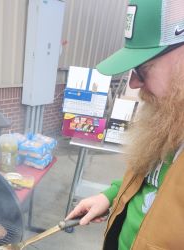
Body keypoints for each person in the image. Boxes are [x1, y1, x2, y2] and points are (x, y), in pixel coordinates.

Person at [66, 0, 184, 249]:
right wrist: (110, 196)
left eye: (143, 69)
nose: (133, 84)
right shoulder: (172, 118)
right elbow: (152, 180)